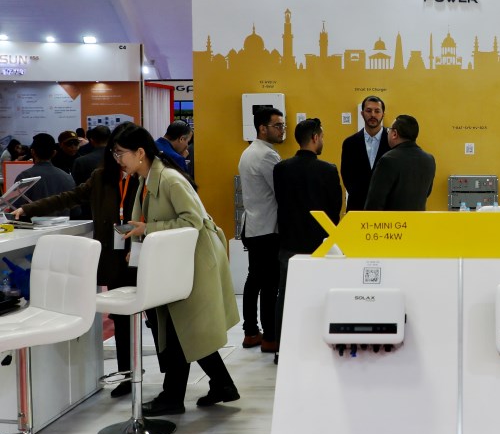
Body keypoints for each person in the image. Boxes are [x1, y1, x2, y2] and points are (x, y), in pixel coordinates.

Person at [114, 123, 240, 415]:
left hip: (194, 262)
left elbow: (192, 220)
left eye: (121, 153)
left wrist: (148, 229)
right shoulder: (147, 179)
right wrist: (139, 245)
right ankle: (221, 385)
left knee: (179, 329)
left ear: (140, 152)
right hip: (177, 262)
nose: (118, 159)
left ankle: (173, 397)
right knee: (184, 329)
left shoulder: (169, 179)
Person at [11, 124, 142, 397]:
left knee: (161, 318)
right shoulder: (102, 177)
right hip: (116, 258)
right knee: (121, 320)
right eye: (115, 153)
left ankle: (177, 383)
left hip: (143, 253)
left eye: (123, 152)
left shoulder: (147, 176)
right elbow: (69, 197)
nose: (119, 158)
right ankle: (127, 376)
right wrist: (29, 208)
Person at [273, 118, 342, 359]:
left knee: (285, 295)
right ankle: (317, 348)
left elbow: (280, 201)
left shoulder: (280, 169)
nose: (322, 141)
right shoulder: (328, 170)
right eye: (321, 137)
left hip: (289, 242)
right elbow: (335, 210)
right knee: (320, 295)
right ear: (315, 138)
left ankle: (282, 349)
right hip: (320, 245)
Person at [237, 107, 284, 352]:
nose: (282, 130)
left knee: (254, 279)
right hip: (267, 228)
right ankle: (270, 338)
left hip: (253, 226)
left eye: (282, 125)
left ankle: (251, 332)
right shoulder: (267, 155)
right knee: (269, 285)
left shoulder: (248, 152)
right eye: (277, 126)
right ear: (262, 128)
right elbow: (281, 190)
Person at [364, 114, 436, 211]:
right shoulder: (429, 159)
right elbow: (427, 193)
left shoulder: (388, 160)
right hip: (418, 219)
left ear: (394, 134)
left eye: (389, 130)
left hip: (393, 220)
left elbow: (374, 202)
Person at [340, 95, 390, 212]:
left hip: (386, 208)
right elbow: (346, 175)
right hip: (357, 206)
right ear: (362, 113)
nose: (373, 115)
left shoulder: (392, 143)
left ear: (383, 114)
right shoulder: (349, 143)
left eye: (377, 111)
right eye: (368, 110)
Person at [14, 133, 79, 215]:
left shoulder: (24, 177)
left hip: (33, 223)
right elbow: (76, 211)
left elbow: (15, 208)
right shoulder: (67, 177)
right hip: (63, 223)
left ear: (32, 152)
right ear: (54, 153)